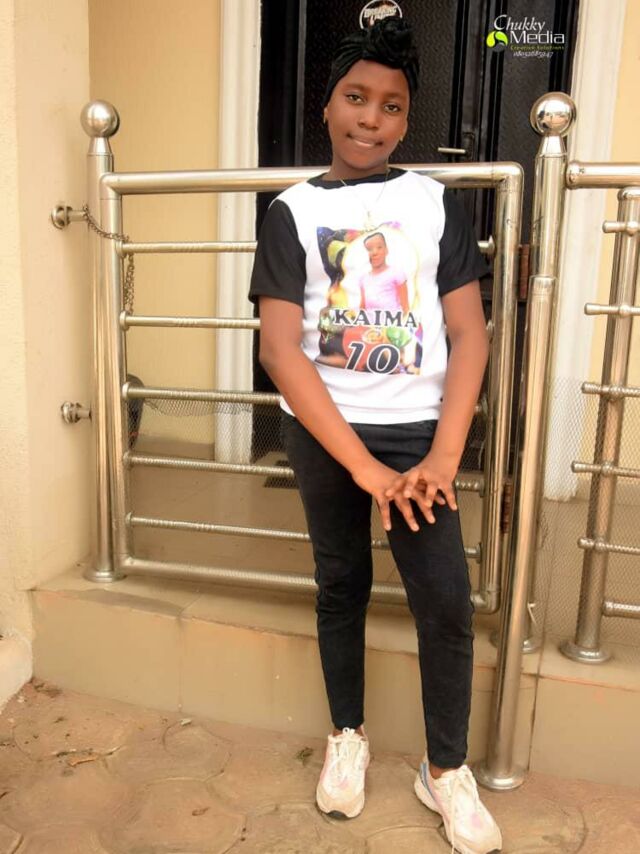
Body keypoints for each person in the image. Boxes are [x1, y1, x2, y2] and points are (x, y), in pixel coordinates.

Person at [249, 17, 502, 854]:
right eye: (356, 98)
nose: (371, 119)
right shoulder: (291, 212)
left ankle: (445, 768)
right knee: (341, 583)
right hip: (328, 437)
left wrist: (441, 457)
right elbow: (279, 350)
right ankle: (347, 734)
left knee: (446, 603)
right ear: (326, 106)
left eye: (391, 106)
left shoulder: (432, 202)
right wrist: (361, 468)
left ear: (407, 119)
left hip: (418, 439)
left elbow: (470, 334)